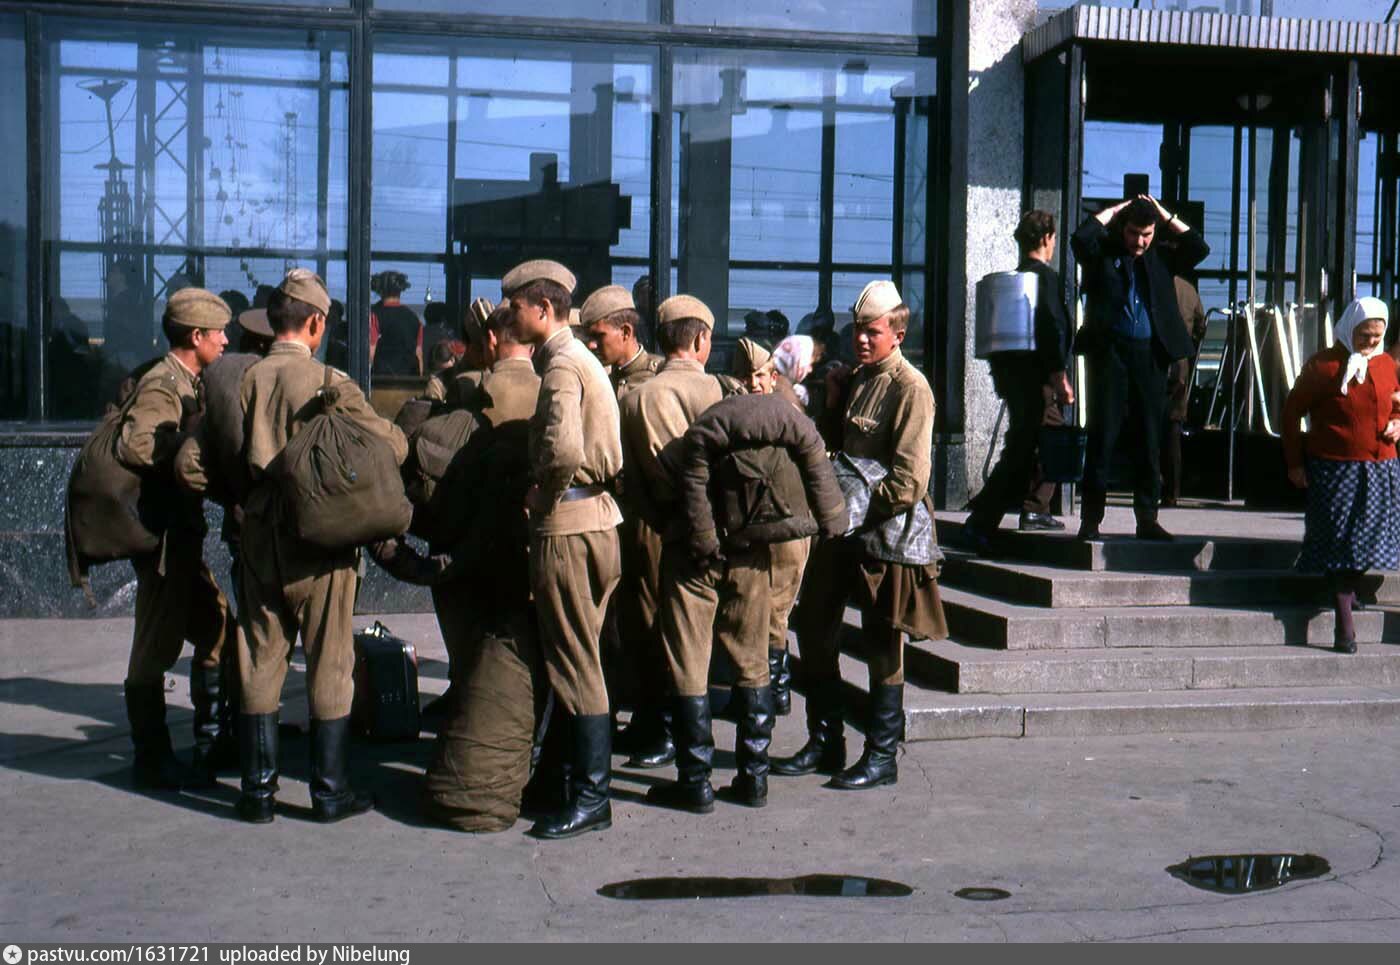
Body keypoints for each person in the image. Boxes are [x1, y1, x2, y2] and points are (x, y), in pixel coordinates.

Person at [236, 268, 409, 824]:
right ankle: (329, 791)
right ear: (315, 323)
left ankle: (257, 793)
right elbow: (393, 448)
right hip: (322, 541)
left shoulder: (245, 379)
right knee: (330, 661)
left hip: (260, 533)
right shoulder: (331, 382)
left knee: (261, 656)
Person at [775, 280, 946, 790]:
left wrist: (852, 511)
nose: (862, 340)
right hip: (842, 530)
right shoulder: (855, 379)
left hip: (885, 532)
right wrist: (831, 399)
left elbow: (910, 479)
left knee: (881, 641)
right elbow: (829, 449)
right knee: (815, 627)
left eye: (872, 332)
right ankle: (825, 741)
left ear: (896, 332)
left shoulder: (910, 387)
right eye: (857, 331)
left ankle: (882, 754)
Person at [648, 389, 846, 813]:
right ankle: (753, 781)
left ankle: (695, 785)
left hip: (693, 559)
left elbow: (675, 487)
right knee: (754, 663)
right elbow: (817, 470)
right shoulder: (788, 426)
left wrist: (698, 538)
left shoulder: (700, 433)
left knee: (689, 667)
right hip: (751, 555)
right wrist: (833, 523)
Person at [504, 259, 624, 840]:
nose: (508, 316)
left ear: (542, 309)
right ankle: (566, 782)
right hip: (597, 519)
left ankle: (591, 799)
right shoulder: (583, 360)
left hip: (568, 523)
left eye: (516, 306)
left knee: (576, 663)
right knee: (583, 657)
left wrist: (540, 494)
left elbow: (561, 450)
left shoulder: (560, 367)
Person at [114, 288, 235, 790]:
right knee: (154, 649)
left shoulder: (187, 380)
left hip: (182, 538)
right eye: (218, 334)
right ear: (195, 337)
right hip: (164, 542)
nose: (226, 341)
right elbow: (136, 443)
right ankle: (153, 757)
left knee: (216, 628)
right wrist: (188, 444)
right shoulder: (163, 384)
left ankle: (210, 745)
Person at [172, 307, 276, 779]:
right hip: (299, 537)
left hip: (244, 531)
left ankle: (219, 735)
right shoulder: (298, 380)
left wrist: (230, 496)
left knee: (244, 633)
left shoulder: (222, 385)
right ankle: (255, 738)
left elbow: (189, 467)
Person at [1070, 195, 1209, 541]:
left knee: (1150, 436)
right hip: (1111, 354)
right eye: (1134, 233)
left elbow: (1198, 246)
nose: (1140, 241)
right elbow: (1080, 239)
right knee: (1103, 435)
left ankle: (1147, 517)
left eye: (1147, 234)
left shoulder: (1161, 257)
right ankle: (1091, 520)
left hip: (1150, 356)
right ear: (1124, 229)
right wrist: (1116, 210)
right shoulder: (1105, 252)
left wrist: (1164, 214)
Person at [1283, 297, 1400, 654]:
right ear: (1350, 329)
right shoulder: (1323, 367)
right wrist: (1295, 463)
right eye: (1364, 335)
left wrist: (1398, 423)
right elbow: (1291, 413)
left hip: (1380, 467)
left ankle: (1344, 594)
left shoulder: (1384, 366)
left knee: (1366, 541)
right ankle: (1343, 618)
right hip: (1335, 469)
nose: (1370, 342)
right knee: (1339, 541)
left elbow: (1396, 402)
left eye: (1377, 336)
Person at [962, 210, 1074, 552]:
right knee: (1031, 445)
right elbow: (1052, 328)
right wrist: (1060, 379)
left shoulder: (1014, 281)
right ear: (1047, 238)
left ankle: (1031, 507)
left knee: (1029, 442)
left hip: (1014, 376)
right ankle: (988, 517)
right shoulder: (1045, 279)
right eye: (1054, 239)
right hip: (1038, 378)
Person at [1161, 273, 1208, 506]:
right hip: (1179, 363)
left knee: (1148, 427)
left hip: (1154, 360)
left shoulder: (1152, 282)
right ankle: (1172, 492)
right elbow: (1201, 326)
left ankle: (1148, 485)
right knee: (1172, 429)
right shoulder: (1189, 289)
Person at [581, 285, 662, 399]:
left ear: (625, 332)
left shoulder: (660, 376)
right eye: (589, 337)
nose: (591, 345)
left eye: (599, 336)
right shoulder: (598, 380)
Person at [370, 270, 423, 377]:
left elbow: (371, 351)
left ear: (379, 290)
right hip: (409, 379)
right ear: (401, 290)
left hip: (381, 380)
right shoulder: (414, 318)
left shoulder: (373, 315)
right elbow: (418, 354)